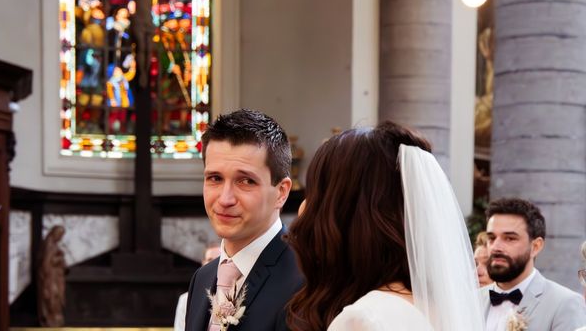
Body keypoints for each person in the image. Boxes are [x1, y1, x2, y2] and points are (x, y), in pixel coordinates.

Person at [286, 122, 484, 331]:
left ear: (345, 214)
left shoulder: (363, 320)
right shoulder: (436, 308)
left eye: (316, 195)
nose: (303, 209)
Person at [185, 109, 303, 331]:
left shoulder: (305, 280)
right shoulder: (202, 278)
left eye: (246, 181)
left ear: (281, 192)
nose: (225, 199)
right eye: (215, 178)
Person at [481, 197, 586, 330]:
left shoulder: (565, 303)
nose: (496, 247)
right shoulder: (468, 300)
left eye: (510, 238)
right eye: (491, 238)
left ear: (536, 246)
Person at [174, 243, 221, 331]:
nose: (213, 264)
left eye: (217, 259)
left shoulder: (234, 297)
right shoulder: (186, 299)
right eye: (209, 260)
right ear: (203, 263)